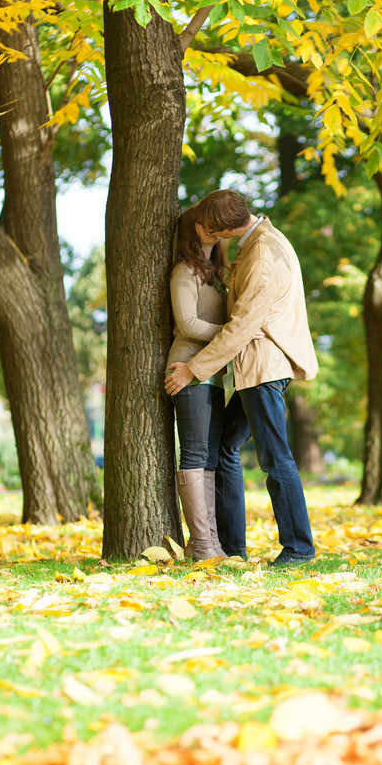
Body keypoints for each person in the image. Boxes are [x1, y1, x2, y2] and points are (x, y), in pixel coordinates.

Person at [165, 190, 318, 566]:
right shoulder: (257, 243)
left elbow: (239, 329)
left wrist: (193, 369)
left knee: (275, 457)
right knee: (225, 448)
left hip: (264, 370)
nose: (200, 229)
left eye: (206, 225)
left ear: (225, 229)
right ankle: (232, 547)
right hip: (255, 371)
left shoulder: (262, 258)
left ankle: (299, 547)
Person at [166, 206, 228, 559]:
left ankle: (211, 544)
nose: (213, 229)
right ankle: (201, 544)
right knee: (195, 454)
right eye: (205, 224)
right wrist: (231, 335)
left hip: (212, 374)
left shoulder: (214, 275)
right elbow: (188, 323)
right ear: (192, 229)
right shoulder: (184, 271)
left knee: (210, 460)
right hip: (186, 371)